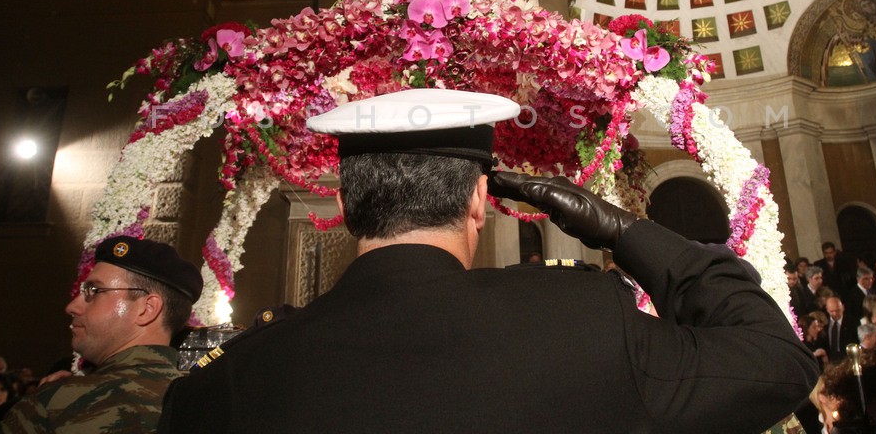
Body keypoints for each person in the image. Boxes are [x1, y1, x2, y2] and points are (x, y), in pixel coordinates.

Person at [158, 88, 819, 434]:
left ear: (346, 203)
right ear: (481, 199)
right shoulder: (581, 324)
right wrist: (621, 230)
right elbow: (776, 362)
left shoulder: (225, 385)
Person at [0, 235, 203, 433]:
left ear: (147, 309)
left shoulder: (60, 404)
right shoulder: (207, 402)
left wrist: (55, 399)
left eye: (94, 291)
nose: (72, 307)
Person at [825, 296, 859, 363]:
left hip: (847, 359)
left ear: (843, 308)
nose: (835, 314)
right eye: (831, 311)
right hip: (829, 359)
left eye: (837, 310)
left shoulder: (853, 323)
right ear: (827, 309)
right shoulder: (824, 323)